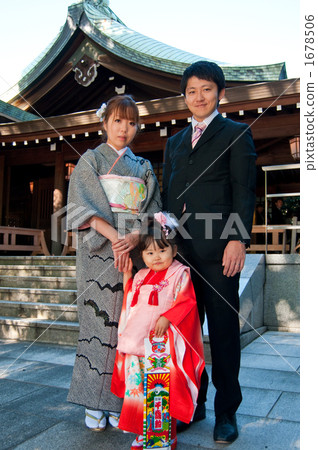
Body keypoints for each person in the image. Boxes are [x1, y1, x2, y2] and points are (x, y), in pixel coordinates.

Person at [162, 61, 256, 443]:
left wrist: (238, 239)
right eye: (191, 91)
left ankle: (226, 411)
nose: (198, 97)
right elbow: (169, 197)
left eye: (206, 89)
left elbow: (243, 189)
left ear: (219, 92)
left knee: (221, 331)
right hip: (181, 251)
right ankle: (193, 404)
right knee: (186, 332)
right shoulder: (174, 142)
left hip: (220, 250)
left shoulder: (236, 133)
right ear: (184, 97)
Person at [66, 95, 161, 431]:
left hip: (134, 254)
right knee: (96, 325)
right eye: (118, 121)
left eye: (132, 122)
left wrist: (134, 239)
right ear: (104, 123)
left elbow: (152, 212)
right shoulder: (90, 161)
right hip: (97, 252)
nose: (125, 128)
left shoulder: (144, 167)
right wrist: (114, 236)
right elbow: (80, 205)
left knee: (131, 327)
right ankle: (94, 402)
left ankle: (122, 399)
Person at [111, 213, 205, 449]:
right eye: (149, 253)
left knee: (159, 389)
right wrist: (127, 275)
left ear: (174, 250)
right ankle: (141, 432)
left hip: (161, 345)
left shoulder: (180, 273)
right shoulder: (142, 275)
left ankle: (165, 435)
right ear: (142, 255)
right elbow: (130, 298)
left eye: (162, 251)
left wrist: (167, 317)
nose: (156, 257)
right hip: (137, 342)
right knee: (137, 390)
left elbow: (187, 301)